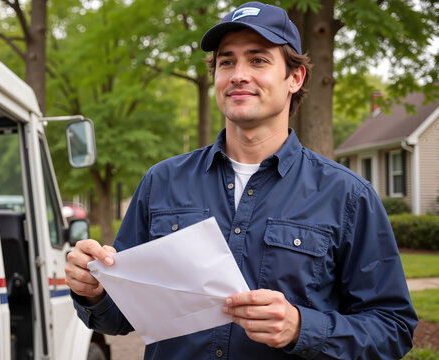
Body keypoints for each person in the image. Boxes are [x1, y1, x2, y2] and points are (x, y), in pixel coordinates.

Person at [64, 2, 417, 359]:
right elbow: (120, 318)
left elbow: (393, 329)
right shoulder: (161, 182)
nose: (238, 74)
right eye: (226, 61)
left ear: (295, 78)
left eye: (258, 60)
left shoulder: (347, 195)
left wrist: (301, 327)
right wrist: (93, 292)